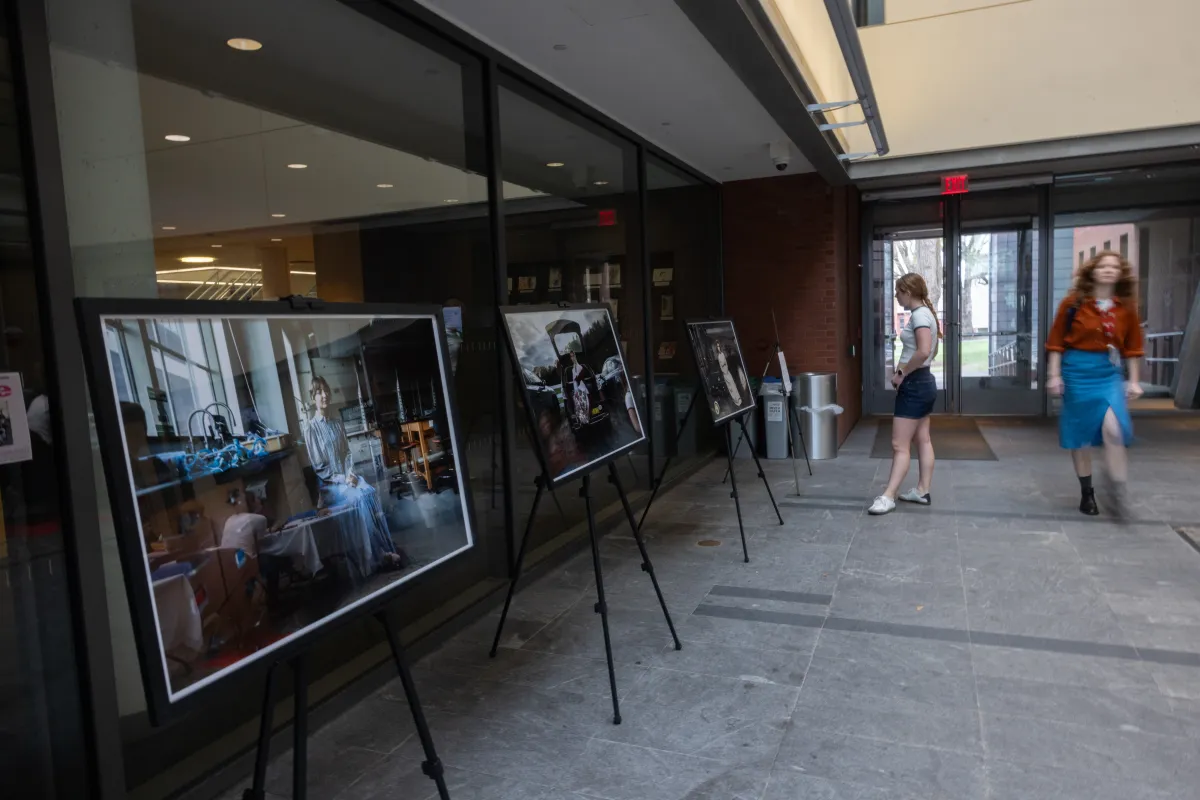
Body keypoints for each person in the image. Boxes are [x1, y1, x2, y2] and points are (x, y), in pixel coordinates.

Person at [1046, 251, 1143, 517]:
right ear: (1093, 271)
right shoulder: (1073, 304)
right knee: (1081, 434)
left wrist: (1133, 381)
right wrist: (1054, 375)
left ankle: (1117, 490)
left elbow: (1133, 347)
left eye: (1115, 266)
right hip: (1077, 370)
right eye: (1104, 266)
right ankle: (1087, 493)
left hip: (1108, 372)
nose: (1110, 270)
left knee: (1114, 430)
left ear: (1120, 273)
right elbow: (1055, 343)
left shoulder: (1126, 308)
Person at [305, 375, 406, 576]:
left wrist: (350, 474)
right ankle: (378, 555)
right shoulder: (311, 428)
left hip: (346, 478)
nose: (324, 395)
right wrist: (343, 479)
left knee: (369, 492)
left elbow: (347, 453)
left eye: (326, 391)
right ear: (313, 398)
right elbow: (319, 466)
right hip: (330, 486)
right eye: (319, 392)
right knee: (359, 498)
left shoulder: (337, 423)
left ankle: (381, 547)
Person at [869, 273, 940, 515]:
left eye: (898, 292)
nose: (896, 296)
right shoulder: (926, 314)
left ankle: (888, 496)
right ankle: (922, 490)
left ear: (908, 292)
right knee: (923, 439)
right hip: (924, 383)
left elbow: (922, 351)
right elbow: (930, 352)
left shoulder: (920, 315)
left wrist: (901, 372)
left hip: (915, 385)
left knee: (899, 445)